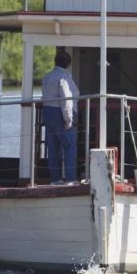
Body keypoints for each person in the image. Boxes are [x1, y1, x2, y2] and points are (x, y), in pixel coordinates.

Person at [41, 51, 80, 185]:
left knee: (53, 147)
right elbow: (66, 99)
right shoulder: (64, 77)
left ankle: (55, 179)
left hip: (47, 112)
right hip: (59, 114)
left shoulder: (47, 77)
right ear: (68, 64)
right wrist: (68, 119)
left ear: (55, 61)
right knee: (69, 146)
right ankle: (70, 179)